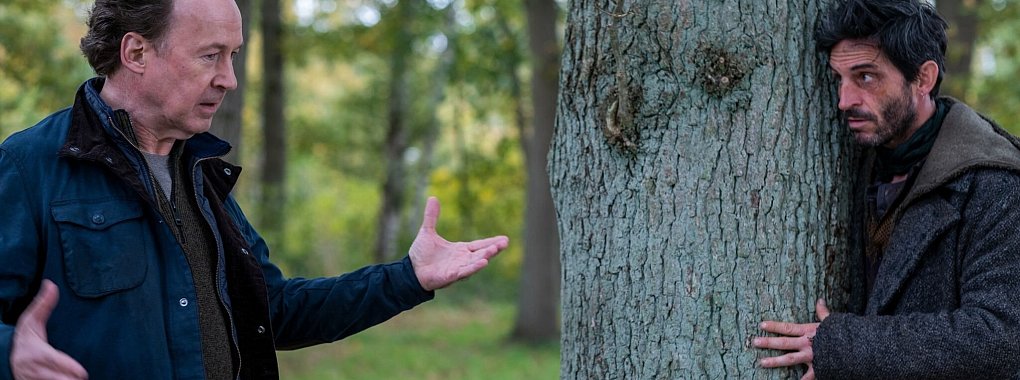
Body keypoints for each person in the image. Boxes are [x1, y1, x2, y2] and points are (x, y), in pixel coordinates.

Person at [0, 0, 509, 379]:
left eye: (234, 55)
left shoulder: (202, 176)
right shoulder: (28, 167)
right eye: (210, 56)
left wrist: (408, 278)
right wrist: (11, 354)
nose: (230, 79)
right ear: (136, 51)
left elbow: (274, 312)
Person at [752, 0, 1020, 379]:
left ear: (923, 78)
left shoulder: (996, 183)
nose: (845, 101)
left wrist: (843, 345)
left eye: (865, 77)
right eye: (839, 79)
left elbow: (1003, 337)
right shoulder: (857, 163)